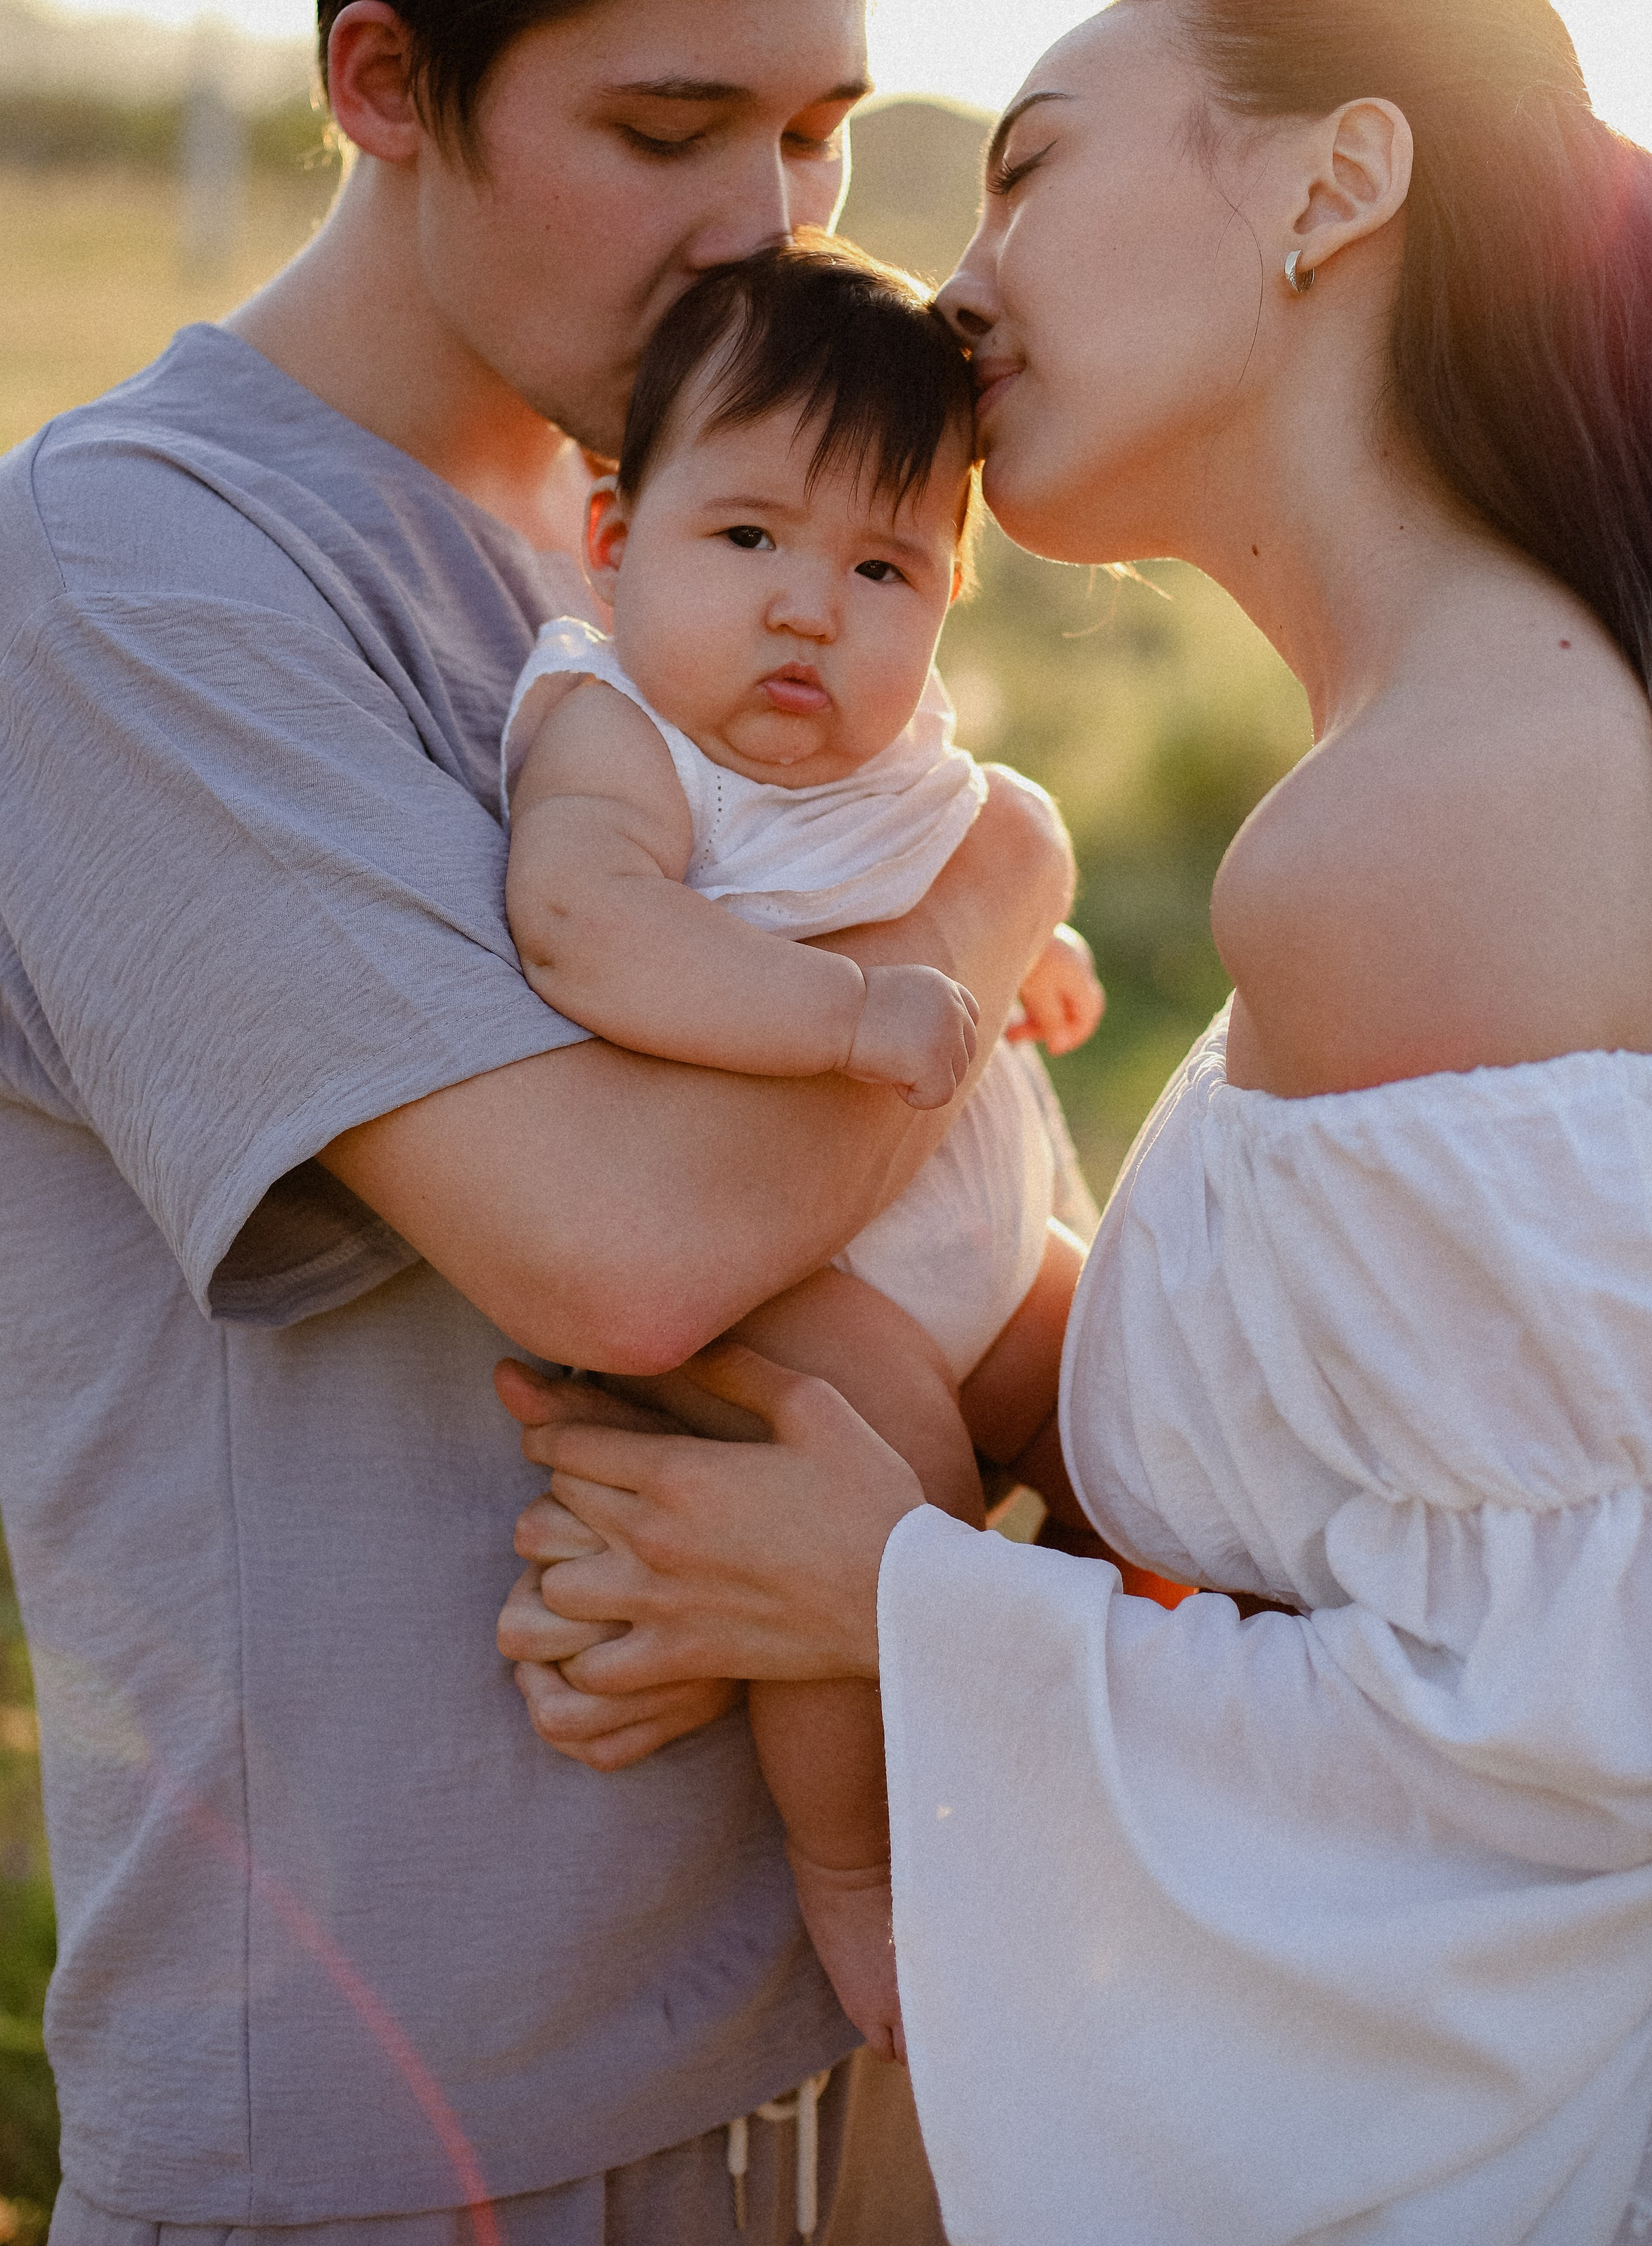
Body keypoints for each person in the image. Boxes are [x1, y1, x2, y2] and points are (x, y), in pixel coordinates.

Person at [0, 0, 1072, 2243]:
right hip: (409, 2104)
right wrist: (990, 904)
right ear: (384, 82)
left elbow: (928, 1211)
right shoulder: (140, 564)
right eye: (665, 132)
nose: (764, 222)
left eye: (815, 131)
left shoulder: (687, 550)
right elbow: (618, 1245)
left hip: (834, 2017)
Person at [497, 0, 1652, 2245]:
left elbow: (1580, 1733)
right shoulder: (1459, 768)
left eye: (1025, 171)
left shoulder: (1444, 825)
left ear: (1336, 190)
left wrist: (899, 1601)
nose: (957, 279)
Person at [500, 236, 1104, 2058]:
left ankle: (1146, 1773)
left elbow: (928, 846)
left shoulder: (880, 730)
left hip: (983, 1241)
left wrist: (1030, 947)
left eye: (881, 566)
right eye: (746, 538)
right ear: (615, 535)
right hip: (802, 1272)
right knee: (890, 1483)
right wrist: (853, 1019)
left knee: (1140, 1390)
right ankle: (862, 1874)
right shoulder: (617, 736)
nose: (807, 610)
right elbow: (582, 928)